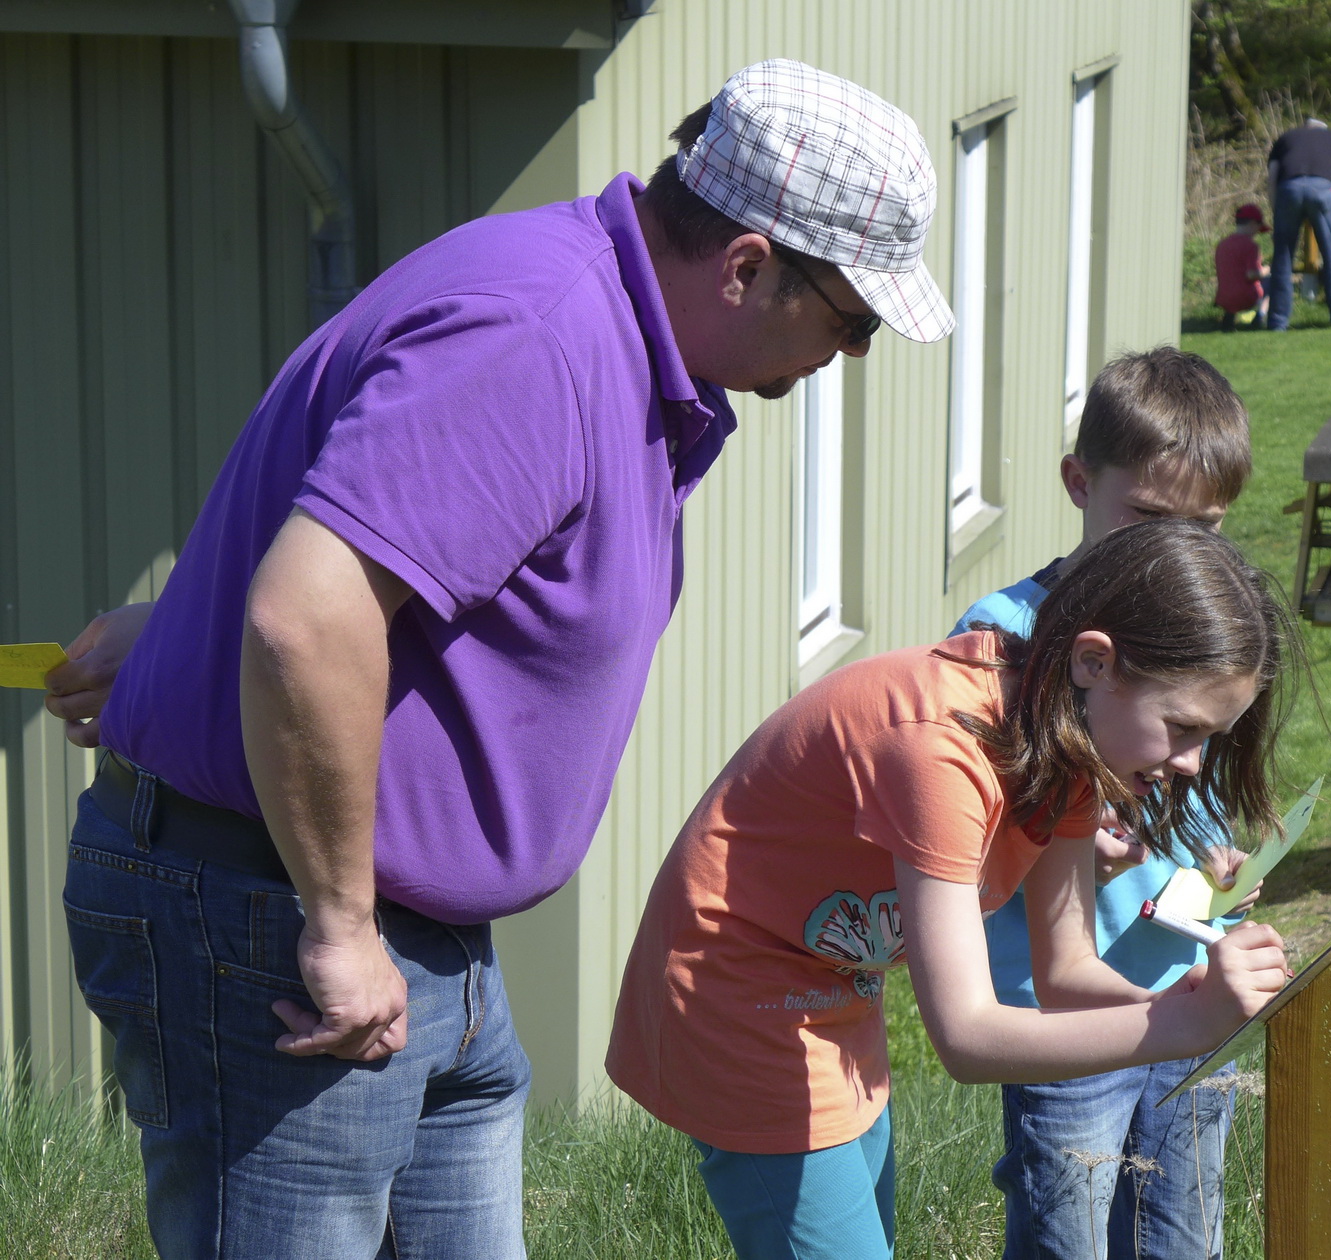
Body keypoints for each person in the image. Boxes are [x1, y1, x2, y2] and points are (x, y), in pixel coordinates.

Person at [46, 60, 951, 1259]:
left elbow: (393, 562)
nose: (856, 351)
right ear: (745, 265)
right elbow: (307, 618)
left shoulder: (607, 331)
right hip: (277, 922)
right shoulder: (537, 336)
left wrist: (184, 637)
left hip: (419, 940)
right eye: (852, 319)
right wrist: (338, 926)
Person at [607, 519, 1299, 1260]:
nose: (1193, 763)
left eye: (1210, 737)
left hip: (837, 987)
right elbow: (967, 1038)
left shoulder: (1067, 744)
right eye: (1183, 726)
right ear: (1095, 662)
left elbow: (1066, 973)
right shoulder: (942, 749)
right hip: (735, 992)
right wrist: (1181, 1025)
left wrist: (1182, 1005)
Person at [953, 347, 1264, 1259]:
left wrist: (1212, 852)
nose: (1179, 550)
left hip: (1186, 982)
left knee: (1183, 1237)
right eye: (1152, 518)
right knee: (1071, 1237)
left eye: (1208, 528)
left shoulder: (1199, 626)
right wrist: (1075, 843)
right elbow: (961, 827)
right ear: (1079, 482)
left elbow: (1187, 763)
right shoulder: (1007, 636)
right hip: (1064, 1017)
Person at [1265, 118, 1331, 330]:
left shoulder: (1285, 138)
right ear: (1322, 129)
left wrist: (1277, 214)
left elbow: (1272, 179)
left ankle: (1278, 322)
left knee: (1282, 257)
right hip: (1322, 190)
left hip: (1289, 189)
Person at [1213, 203, 1270, 330]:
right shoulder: (1251, 245)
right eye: (1258, 228)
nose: (1257, 233)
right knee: (1273, 282)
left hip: (1223, 298)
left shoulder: (1222, 244)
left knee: (1233, 283)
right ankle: (1260, 317)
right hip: (1245, 298)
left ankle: (1229, 318)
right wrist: (1268, 270)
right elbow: (1251, 274)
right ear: (1252, 224)